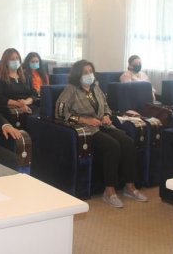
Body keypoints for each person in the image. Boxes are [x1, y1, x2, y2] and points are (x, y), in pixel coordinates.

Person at [55, 60, 148, 208]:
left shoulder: (95, 87)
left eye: (90, 71)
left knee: (128, 142)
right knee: (112, 146)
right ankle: (109, 191)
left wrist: (106, 115)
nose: (89, 75)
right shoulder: (71, 90)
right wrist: (84, 120)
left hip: (103, 125)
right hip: (86, 130)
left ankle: (130, 187)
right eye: (85, 72)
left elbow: (106, 106)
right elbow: (60, 113)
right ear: (78, 75)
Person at [0, 48, 37, 128]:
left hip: (28, 106)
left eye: (17, 58)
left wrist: (26, 102)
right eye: (12, 59)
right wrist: (19, 104)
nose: (15, 61)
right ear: (6, 62)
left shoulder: (26, 76)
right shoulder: (0, 79)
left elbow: (34, 93)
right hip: (10, 110)